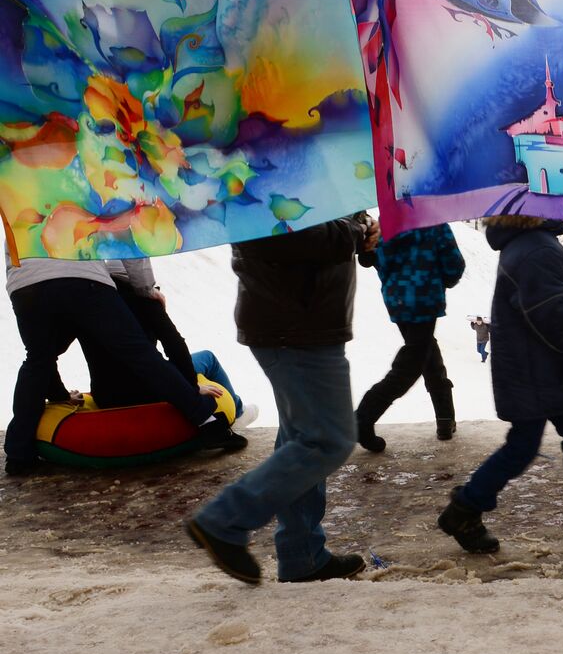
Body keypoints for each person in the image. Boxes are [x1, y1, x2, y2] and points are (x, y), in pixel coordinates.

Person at [186, 212, 379, 585]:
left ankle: (302, 554)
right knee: (327, 440)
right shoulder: (270, 165)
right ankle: (224, 520)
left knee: (301, 438)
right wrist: (353, 231)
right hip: (295, 324)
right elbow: (289, 235)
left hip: (301, 320)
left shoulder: (298, 168)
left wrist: (360, 227)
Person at [437, 216, 563, 554]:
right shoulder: (535, 250)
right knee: (527, 447)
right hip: (541, 373)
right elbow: (555, 319)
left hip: (543, 370)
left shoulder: (528, 242)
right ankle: (464, 509)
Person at [4, 252, 239, 476]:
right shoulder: (82, 208)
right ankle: (208, 424)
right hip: (81, 276)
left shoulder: (12, 207)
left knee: (38, 358)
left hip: (24, 281)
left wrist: (58, 396)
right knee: (138, 351)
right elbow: (124, 234)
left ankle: (18, 455)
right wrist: (146, 289)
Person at [99, 258, 256, 424]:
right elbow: (174, 345)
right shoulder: (143, 299)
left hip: (107, 393)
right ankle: (239, 412)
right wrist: (191, 386)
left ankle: (239, 410)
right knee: (208, 358)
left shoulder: (97, 303)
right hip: (146, 386)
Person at [355, 223, 465, 451]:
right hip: (424, 301)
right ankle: (362, 418)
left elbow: (369, 258)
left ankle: (445, 417)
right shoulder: (434, 223)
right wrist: (434, 279)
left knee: (425, 350)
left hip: (397, 301)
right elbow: (454, 267)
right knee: (411, 365)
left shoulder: (387, 221)